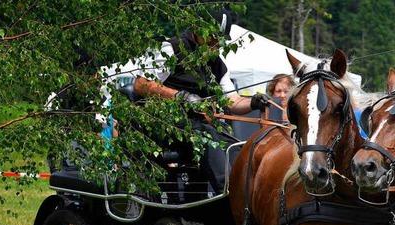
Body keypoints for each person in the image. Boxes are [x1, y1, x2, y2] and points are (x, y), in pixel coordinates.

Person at [100, 10, 270, 194]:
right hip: (158, 124)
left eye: (220, 39)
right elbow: (141, 84)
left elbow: (232, 100)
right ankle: (228, 192)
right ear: (198, 31)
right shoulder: (171, 48)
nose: (216, 43)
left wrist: (253, 102)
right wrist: (181, 97)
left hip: (193, 126)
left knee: (231, 142)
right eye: (212, 37)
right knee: (206, 136)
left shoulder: (218, 65)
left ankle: (246, 189)